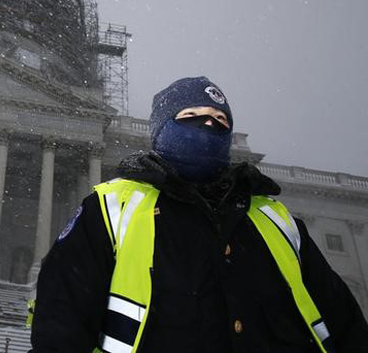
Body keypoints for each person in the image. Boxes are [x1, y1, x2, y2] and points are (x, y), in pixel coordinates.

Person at [31, 76, 368, 352]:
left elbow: (345, 322)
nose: (208, 125)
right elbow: (60, 321)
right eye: (192, 115)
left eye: (220, 120)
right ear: (162, 130)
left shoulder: (276, 219)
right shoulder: (112, 209)